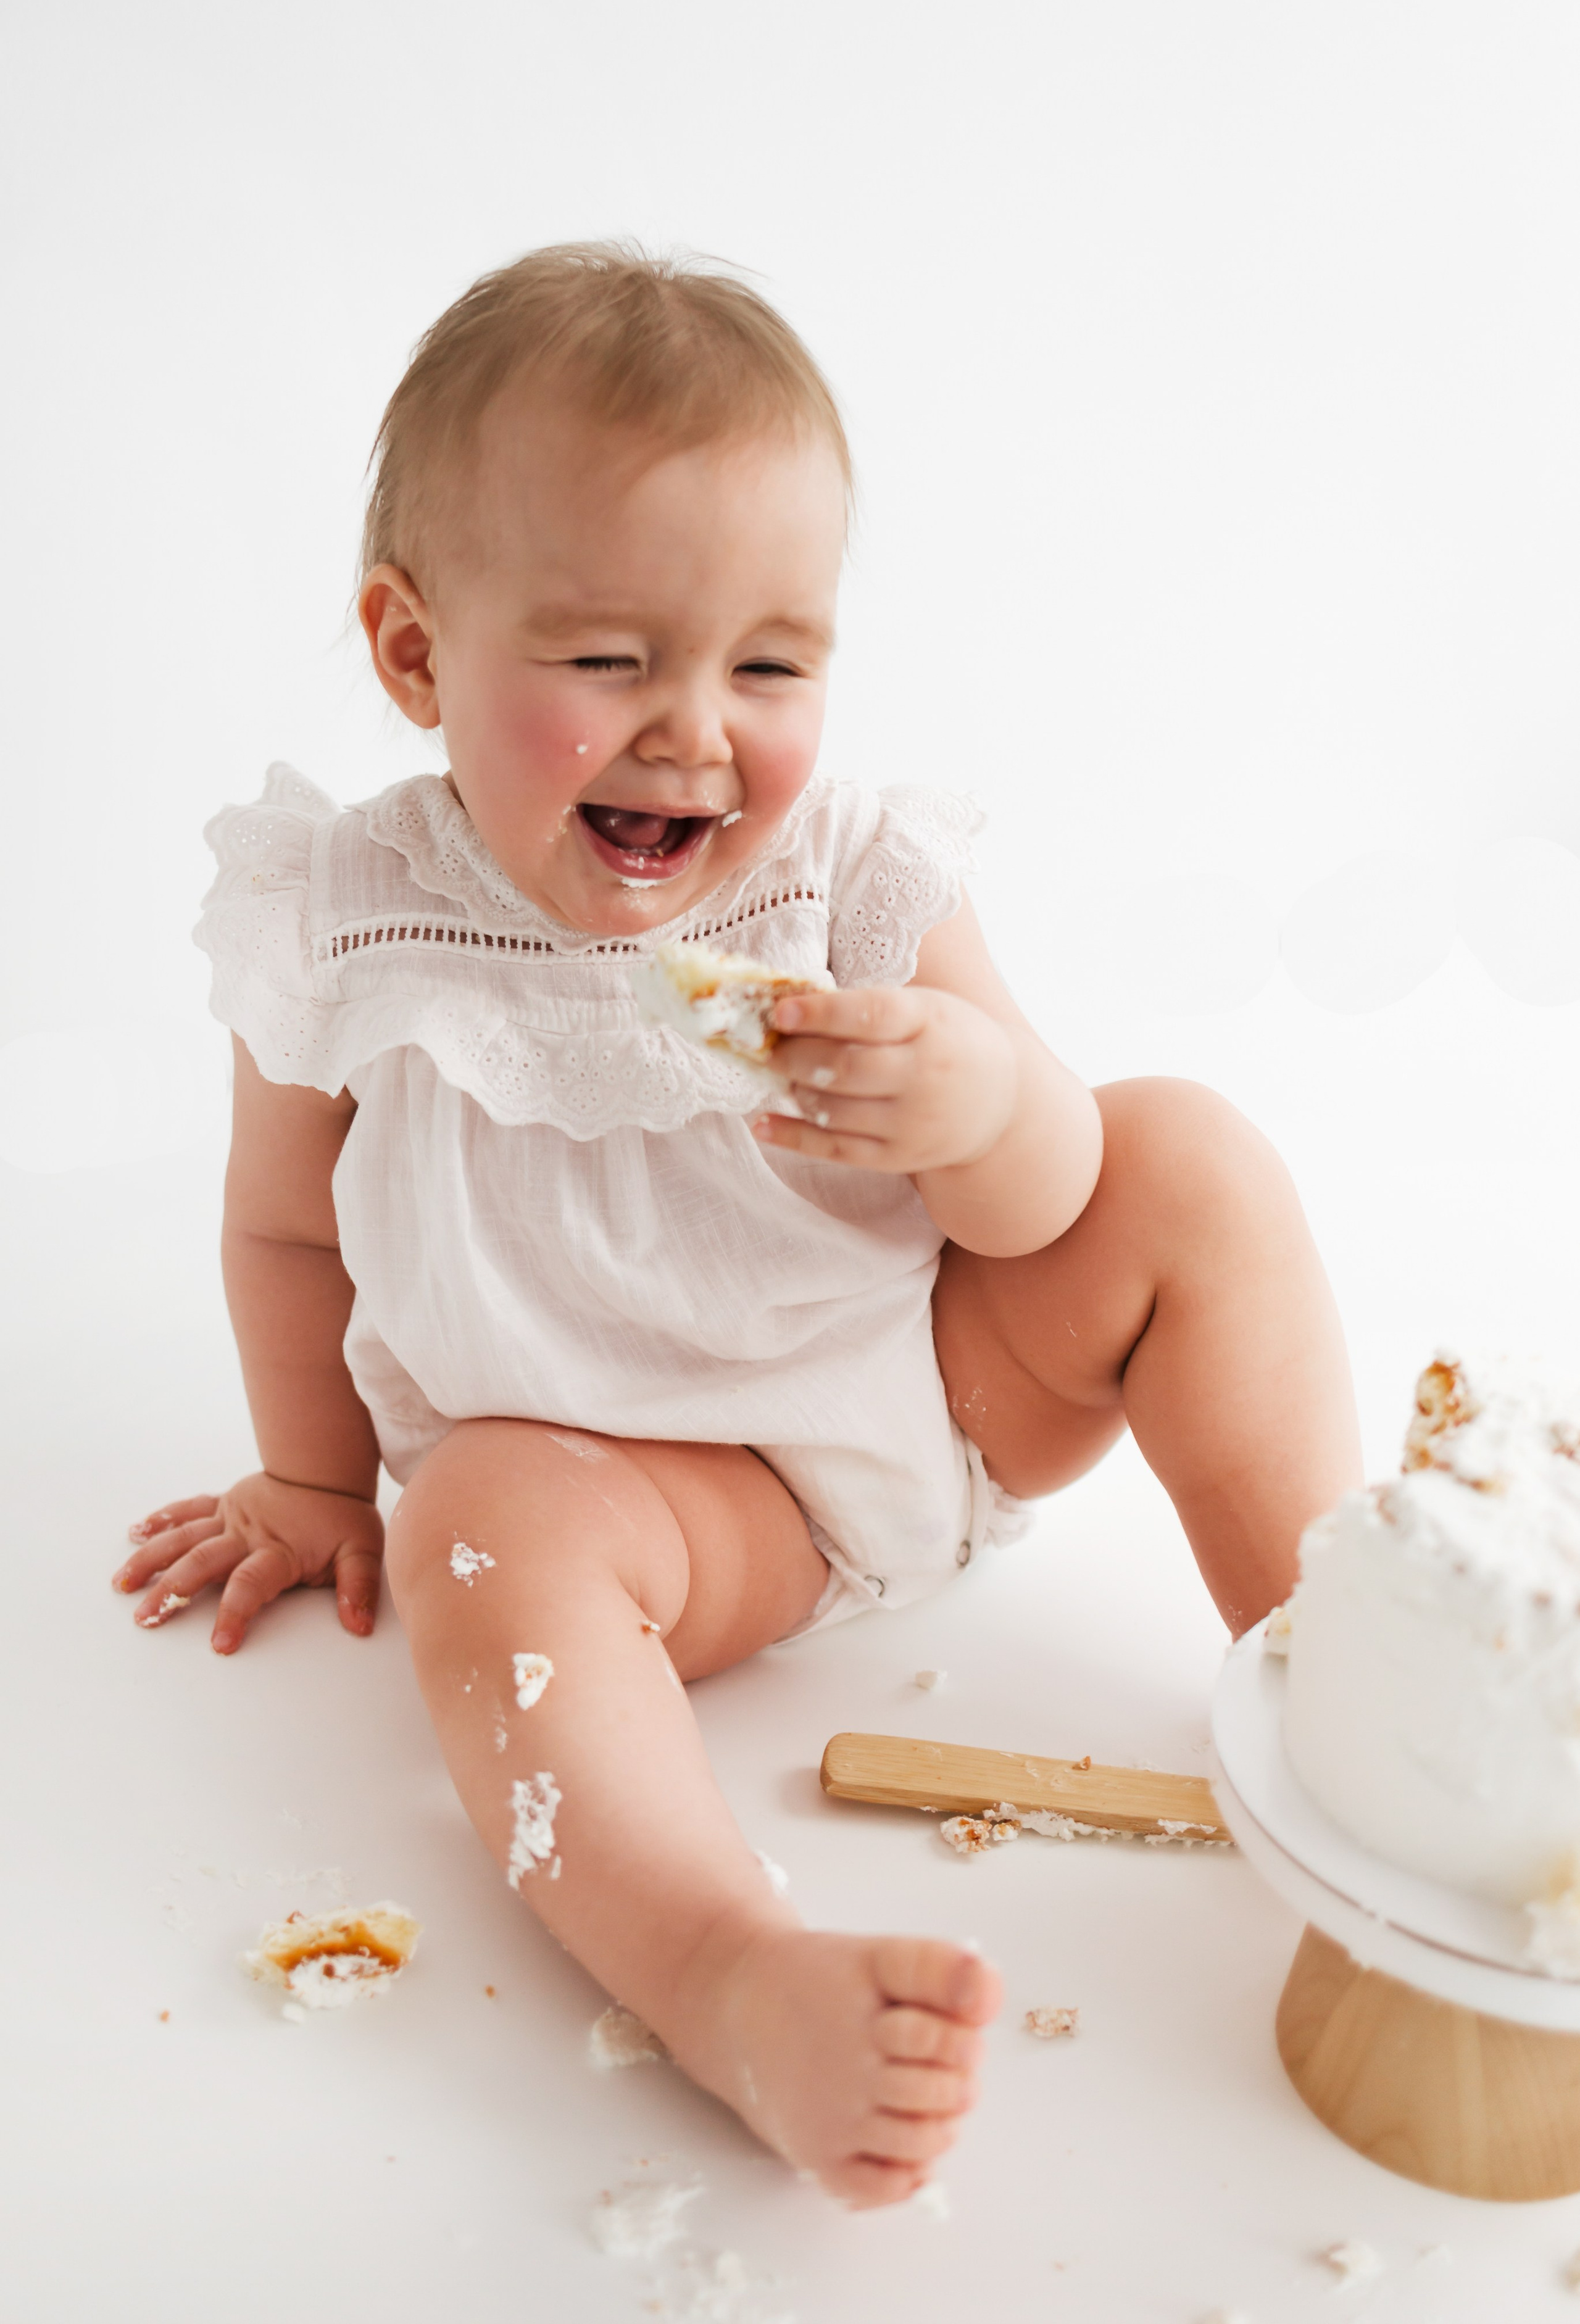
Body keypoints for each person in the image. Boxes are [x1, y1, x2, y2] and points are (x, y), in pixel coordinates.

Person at [115, 244, 1361, 2207]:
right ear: (416, 653)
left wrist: (978, 1107)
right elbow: (286, 1235)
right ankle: (722, 1970)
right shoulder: (351, 922)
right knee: (480, 1525)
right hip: (660, 1514)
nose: (696, 730)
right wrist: (313, 1475)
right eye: (609, 662)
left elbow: (1049, 1195)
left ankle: (1356, 1682)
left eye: (769, 666)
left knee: (1184, 1155)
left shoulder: (850, 877)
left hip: (934, 1389)